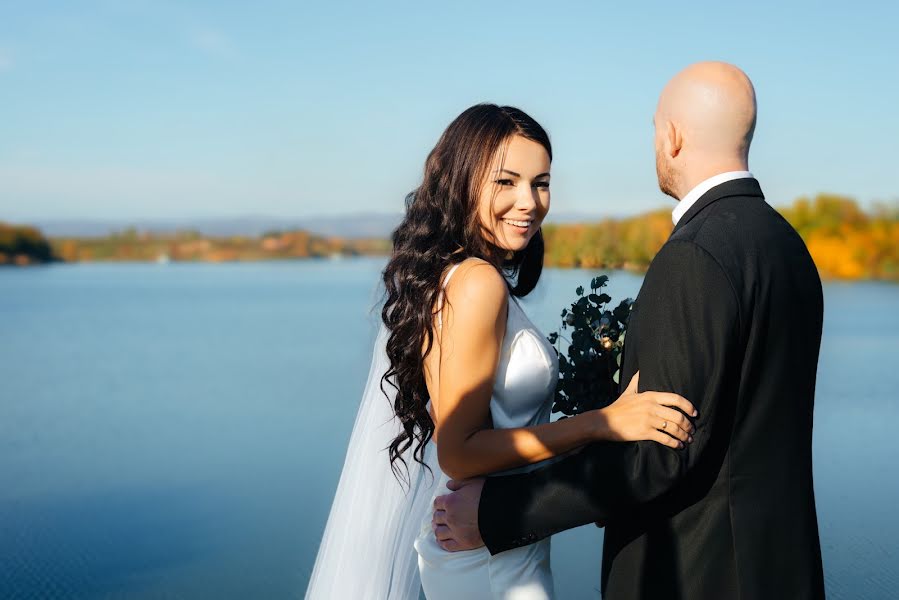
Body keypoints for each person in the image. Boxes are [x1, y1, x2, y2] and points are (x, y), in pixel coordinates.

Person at [434, 62, 826, 600]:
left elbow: (660, 450)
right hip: (781, 567)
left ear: (672, 136)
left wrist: (502, 514)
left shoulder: (695, 254)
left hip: (697, 574)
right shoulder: (787, 246)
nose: (529, 199)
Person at [306, 103, 697, 600]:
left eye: (541, 183)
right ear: (464, 181)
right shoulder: (477, 283)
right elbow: (458, 451)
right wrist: (602, 423)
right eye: (506, 182)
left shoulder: (455, 275)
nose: (529, 202)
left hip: (496, 550)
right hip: (491, 569)